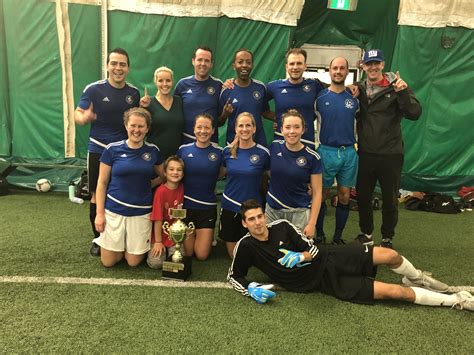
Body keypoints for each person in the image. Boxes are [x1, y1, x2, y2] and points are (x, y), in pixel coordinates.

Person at [227, 199, 473, 312]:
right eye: (252, 219)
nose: (258, 222)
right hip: (322, 282)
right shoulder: (245, 246)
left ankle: (416, 276)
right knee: (396, 293)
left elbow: (312, 248)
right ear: (246, 224)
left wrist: (302, 256)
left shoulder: (281, 226)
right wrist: (249, 289)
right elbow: (234, 275)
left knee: (390, 255)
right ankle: (456, 300)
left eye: (260, 216)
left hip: (330, 256)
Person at [75, 48, 140, 256]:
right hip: (99, 149)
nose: (118, 68)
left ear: (128, 68)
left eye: (122, 64)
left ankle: (122, 236)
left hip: (123, 151)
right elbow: (78, 113)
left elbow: (137, 120)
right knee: (96, 194)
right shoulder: (94, 89)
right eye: (114, 63)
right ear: (107, 66)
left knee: (121, 190)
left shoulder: (134, 93)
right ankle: (99, 239)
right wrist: (83, 117)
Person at [354, 50, 422, 249]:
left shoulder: (397, 87)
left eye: (377, 63)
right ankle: (366, 234)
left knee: (389, 199)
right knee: (364, 197)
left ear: (383, 64)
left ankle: (387, 238)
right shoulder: (358, 89)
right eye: (369, 64)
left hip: (391, 154)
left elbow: (414, 113)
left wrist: (403, 92)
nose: (373, 67)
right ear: (363, 66)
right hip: (365, 153)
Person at [94, 107, 163, 267]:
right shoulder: (112, 149)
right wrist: (99, 214)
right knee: (108, 262)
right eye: (133, 125)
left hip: (141, 212)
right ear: (126, 126)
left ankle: (129, 248)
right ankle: (119, 247)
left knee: (132, 262)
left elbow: (165, 175)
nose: (136, 130)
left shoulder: (153, 151)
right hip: (114, 211)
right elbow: (102, 183)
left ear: (147, 129)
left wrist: (151, 183)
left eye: (141, 126)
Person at [314, 57, 359, 245]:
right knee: (321, 195)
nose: (338, 71)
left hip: (348, 152)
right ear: (329, 71)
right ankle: (319, 233)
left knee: (344, 195)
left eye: (342, 68)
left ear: (347, 72)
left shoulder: (355, 100)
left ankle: (338, 236)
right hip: (326, 152)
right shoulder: (319, 99)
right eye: (335, 68)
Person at [266, 110, 322, 239]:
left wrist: (312, 223)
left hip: (299, 213)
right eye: (288, 127)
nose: (292, 131)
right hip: (273, 211)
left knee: (298, 256)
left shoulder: (313, 157)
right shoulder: (274, 147)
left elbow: (318, 193)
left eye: (297, 127)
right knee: (272, 252)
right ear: (281, 129)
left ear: (303, 130)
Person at [220, 112, 270, 257]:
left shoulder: (263, 153)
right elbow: (219, 173)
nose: (244, 129)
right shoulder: (227, 152)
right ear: (235, 129)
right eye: (240, 125)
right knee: (234, 255)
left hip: (253, 210)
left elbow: (274, 177)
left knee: (255, 254)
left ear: (254, 128)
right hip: (230, 206)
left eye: (248, 125)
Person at [177, 114, 224, 260]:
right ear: (194, 129)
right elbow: (176, 175)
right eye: (199, 127)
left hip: (207, 208)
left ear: (213, 131)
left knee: (202, 255)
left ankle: (207, 236)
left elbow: (221, 173)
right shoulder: (183, 150)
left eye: (207, 128)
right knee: (188, 253)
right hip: (187, 208)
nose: (203, 131)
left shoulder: (219, 152)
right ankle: (202, 236)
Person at [266, 48, 326, 149]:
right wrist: (278, 118)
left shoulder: (314, 85)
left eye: (299, 63)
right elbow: (257, 101)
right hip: (281, 143)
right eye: (292, 63)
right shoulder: (274, 86)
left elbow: (334, 89)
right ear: (286, 66)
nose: (295, 67)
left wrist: (352, 86)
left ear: (305, 66)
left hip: (306, 142)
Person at [218, 48, 271, 146]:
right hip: (234, 145)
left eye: (248, 62)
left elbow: (265, 112)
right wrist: (225, 114)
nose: (244, 65)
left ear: (252, 65)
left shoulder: (260, 87)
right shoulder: (226, 91)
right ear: (234, 66)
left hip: (258, 144)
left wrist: (283, 119)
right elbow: (219, 122)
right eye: (240, 62)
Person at [175, 46, 222, 144]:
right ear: (193, 61)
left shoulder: (219, 85)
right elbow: (172, 111)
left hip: (211, 143)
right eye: (200, 60)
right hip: (185, 141)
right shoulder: (182, 84)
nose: (203, 64)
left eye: (207, 61)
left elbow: (221, 119)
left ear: (211, 64)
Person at [147, 156, 185, 269]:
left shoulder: (183, 188)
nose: (175, 172)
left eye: (179, 170)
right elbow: (158, 219)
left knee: (177, 262)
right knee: (156, 264)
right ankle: (149, 250)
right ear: (164, 172)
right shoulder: (160, 192)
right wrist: (158, 242)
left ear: (183, 173)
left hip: (174, 236)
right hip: (160, 234)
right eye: (171, 169)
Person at [140, 66, 184, 160]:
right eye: (160, 80)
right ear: (155, 82)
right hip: (154, 158)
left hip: (176, 159)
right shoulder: (148, 103)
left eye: (168, 80)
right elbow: (140, 128)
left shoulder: (179, 101)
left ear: (172, 82)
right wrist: (142, 108)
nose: (165, 84)